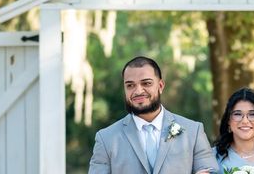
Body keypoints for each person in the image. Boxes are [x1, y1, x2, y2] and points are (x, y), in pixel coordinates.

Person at [89, 56, 219, 174]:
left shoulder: (193, 131)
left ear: (160, 86)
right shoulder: (105, 139)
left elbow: (208, 170)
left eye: (146, 83)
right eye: (130, 85)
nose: (138, 91)